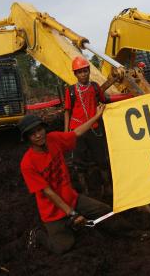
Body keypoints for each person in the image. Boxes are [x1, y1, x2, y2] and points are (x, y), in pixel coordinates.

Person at [19, 106, 133, 254]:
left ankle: (133, 232)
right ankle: (38, 234)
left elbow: (76, 132)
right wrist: (72, 214)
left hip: (72, 198)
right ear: (27, 138)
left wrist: (97, 116)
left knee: (105, 211)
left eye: (39, 130)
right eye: (32, 134)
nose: (38, 135)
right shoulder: (27, 163)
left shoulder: (54, 139)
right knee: (63, 247)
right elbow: (48, 192)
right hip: (53, 211)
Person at [64, 56, 111, 195]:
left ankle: (108, 187)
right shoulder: (71, 90)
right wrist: (66, 131)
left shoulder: (95, 87)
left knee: (102, 159)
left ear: (89, 71)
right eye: (79, 72)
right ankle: (85, 192)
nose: (83, 74)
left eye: (85, 71)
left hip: (94, 128)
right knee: (79, 163)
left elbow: (103, 102)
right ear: (75, 74)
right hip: (77, 130)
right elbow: (67, 111)